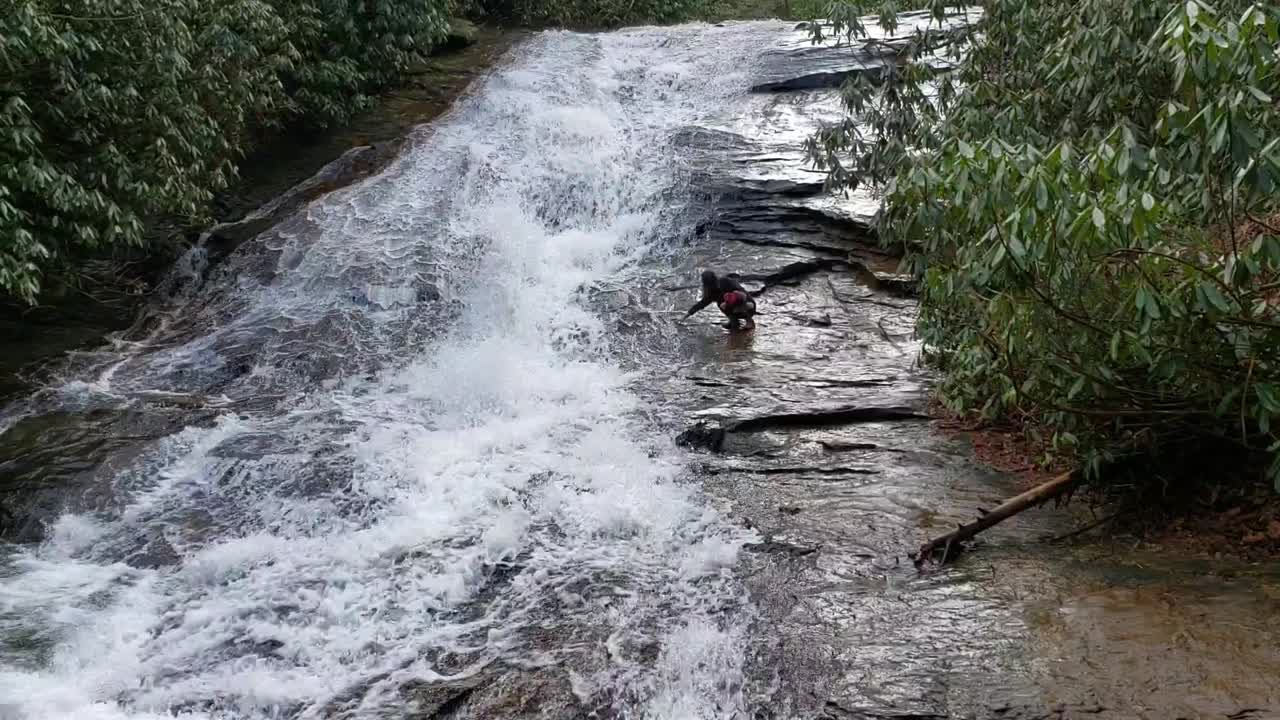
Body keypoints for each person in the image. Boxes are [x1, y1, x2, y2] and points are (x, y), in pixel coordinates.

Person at [684, 269, 756, 331]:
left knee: (733, 299)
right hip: (731, 308)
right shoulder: (710, 292)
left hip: (747, 305)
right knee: (721, 304)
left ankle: (749, 320)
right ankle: (733, 321)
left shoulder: (726, 281)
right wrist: (689, 313)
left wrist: (732, 298)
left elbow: (743, 295)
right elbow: (702, 303)